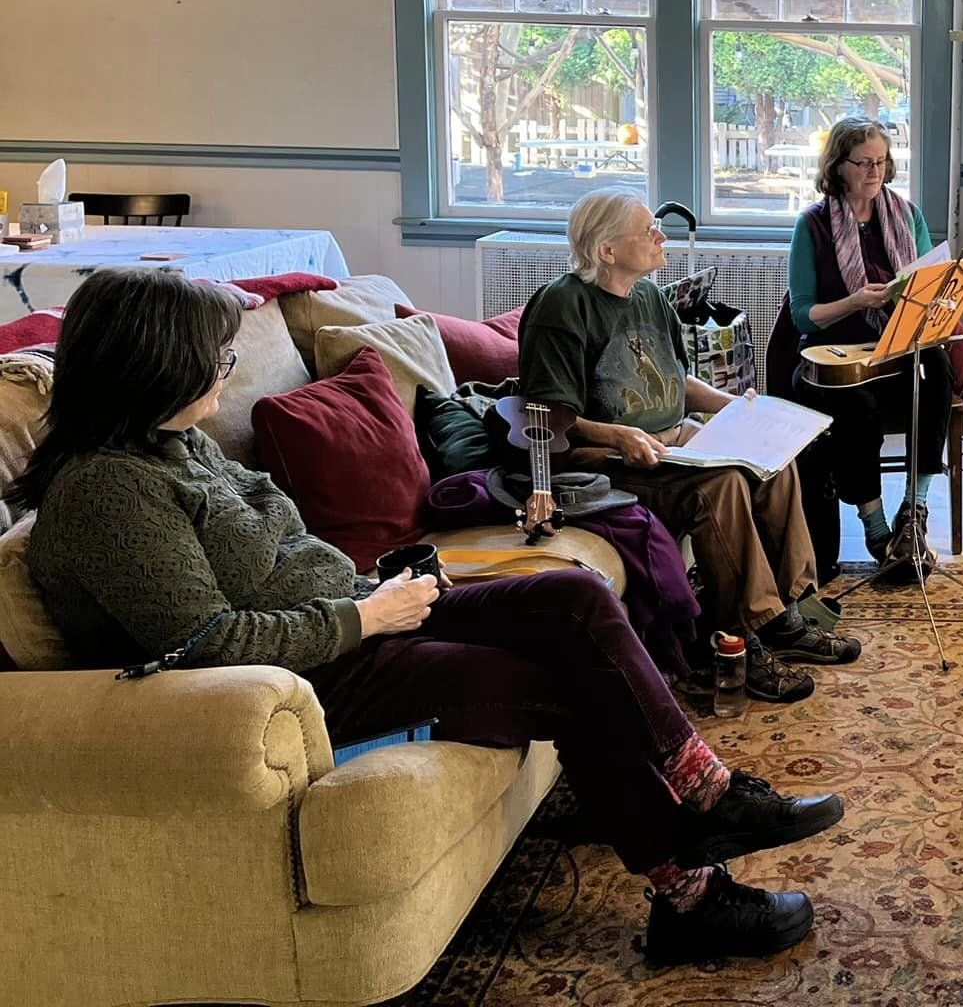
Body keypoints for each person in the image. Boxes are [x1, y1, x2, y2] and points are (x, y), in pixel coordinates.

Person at [15, 267, 840, 967]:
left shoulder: (177, 442)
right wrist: (368, 618)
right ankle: (691, 897)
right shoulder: (107, 491)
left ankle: (706, 787)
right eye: (213, 355)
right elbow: (209, 643)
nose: (225, 369)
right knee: (559, 676)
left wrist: (384, 583)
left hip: (356, 616)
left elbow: (282, 558)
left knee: (573, 597)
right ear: (152, 364)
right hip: (308, 678)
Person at [518, 191, 858, 704]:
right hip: (606, 458)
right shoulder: (562, 306)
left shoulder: (650, 297)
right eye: (647, 230)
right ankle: (739, 638)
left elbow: (679, 382)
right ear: (607, 250)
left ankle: (786, 616)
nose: (661, 236)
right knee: (722, 485)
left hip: (672, 440)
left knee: (773, 462)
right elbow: (547, 414)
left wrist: (736, 406)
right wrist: (620, 435)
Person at [783, 118, 952, 573]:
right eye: (864, 163)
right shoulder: (812, 225)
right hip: (832, 358)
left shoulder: (907, 215)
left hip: (893, 349)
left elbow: (929, 285)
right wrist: (854, 301)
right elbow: (803, 315)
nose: (875, 171)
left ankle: (914, 511)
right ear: (838, 166)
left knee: (937, 368)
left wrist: (925, 298)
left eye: (881, 161)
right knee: (856, 406)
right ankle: (876, 527)